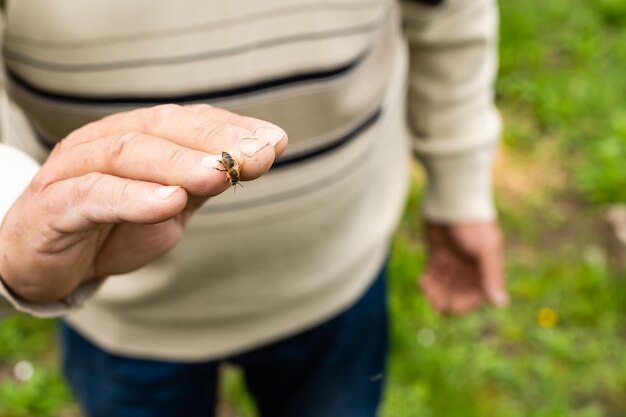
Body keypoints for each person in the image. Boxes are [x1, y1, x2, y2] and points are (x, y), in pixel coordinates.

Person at [0, 0, 507, 416]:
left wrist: (460, 189)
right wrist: (13, 218)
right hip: (123, 311)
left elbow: (445, 11)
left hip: (337, 274)